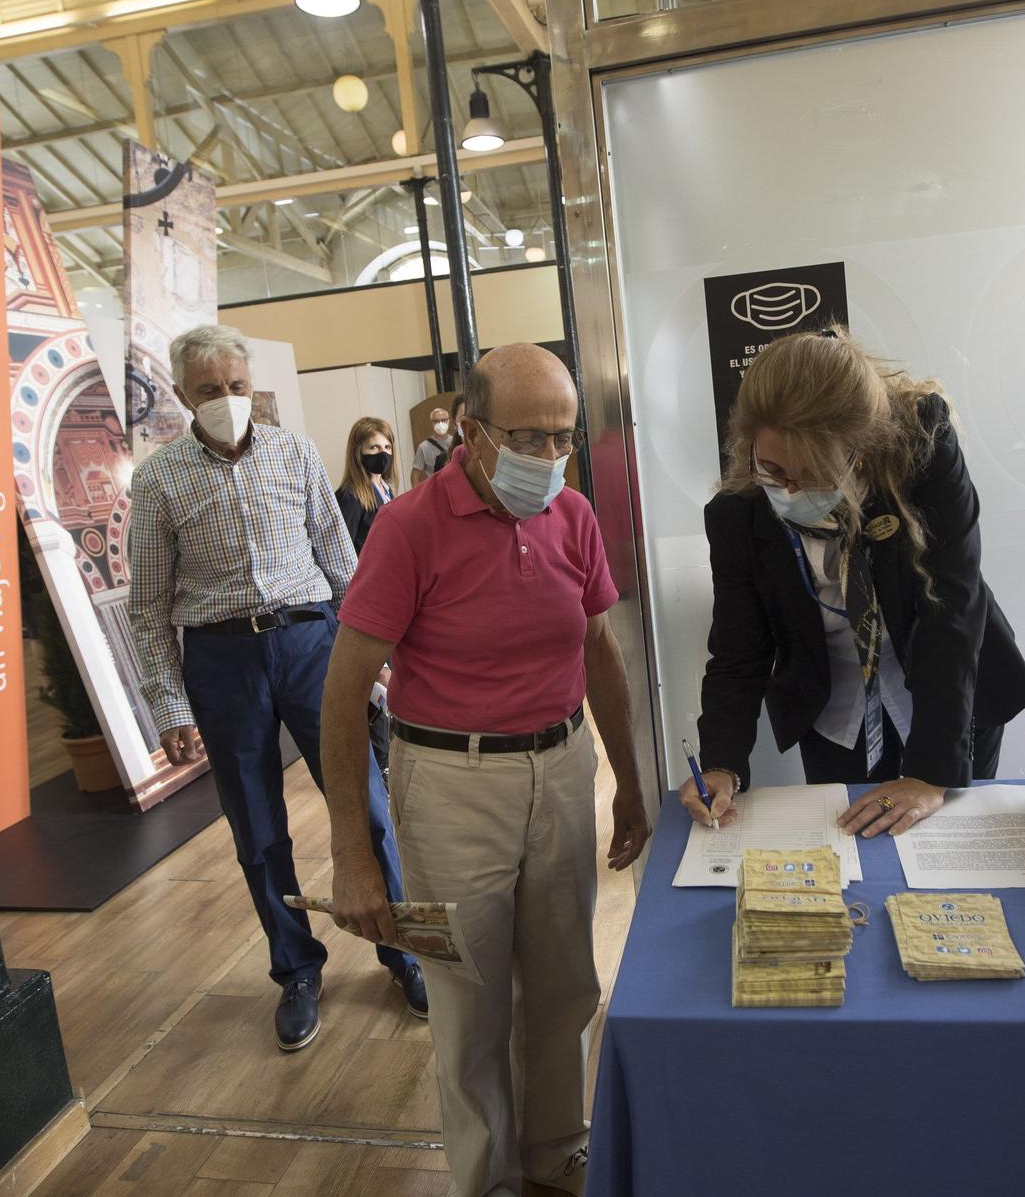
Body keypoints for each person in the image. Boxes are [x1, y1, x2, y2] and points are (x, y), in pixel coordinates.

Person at [319, 344, 650, 1197]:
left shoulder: (571, 515)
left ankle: (553, 1148)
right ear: (469, 431)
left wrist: (631, 783)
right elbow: (345, 689)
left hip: (563, 765)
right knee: (469, 1002)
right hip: (450, 784)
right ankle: (487, 1178)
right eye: (528, 437)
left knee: (567, 982)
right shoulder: (408, 527)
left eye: (563, 439)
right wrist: (355, 852)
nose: (547, 458)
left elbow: (600, 652)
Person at [126, 324, 426, 1055]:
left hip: (310, 645)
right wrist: (168, 704)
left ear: (250, 385)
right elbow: (148, 604)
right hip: (221, 659)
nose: (227, 401)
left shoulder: (293, 452)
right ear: (181, 395)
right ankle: (295, 969)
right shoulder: (160, 478)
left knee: (367, 804)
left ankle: (403, 951)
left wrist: (379, 656)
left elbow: (344, 566)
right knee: (257, 830)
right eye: (208, 392)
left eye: (236, 387)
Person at [680, 328, 1025, 840]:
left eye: (813, 472)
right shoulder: (737, 513)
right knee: (850, 850)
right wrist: (721, 762)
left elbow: (953, 606)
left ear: (863, 450)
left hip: (945, 700)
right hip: (835, 709)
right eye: (774, 467)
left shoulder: (922, 449)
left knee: (949, 851)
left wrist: (931, 771)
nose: (790, 489)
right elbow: (739, 652)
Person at [334, 416, 398, 556]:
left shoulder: (385, 488)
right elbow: (342, 551)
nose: (383, 454)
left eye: (387, 447)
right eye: (374, 447)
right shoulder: (350, 496)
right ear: (358, 452)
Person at [410, 394, 466, 485]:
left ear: (449, 421)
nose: (440, 424)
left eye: (444, 420)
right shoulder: (423, 447)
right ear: (432, 424)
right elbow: (415, 474)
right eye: (436, 421)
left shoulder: (456, 442)